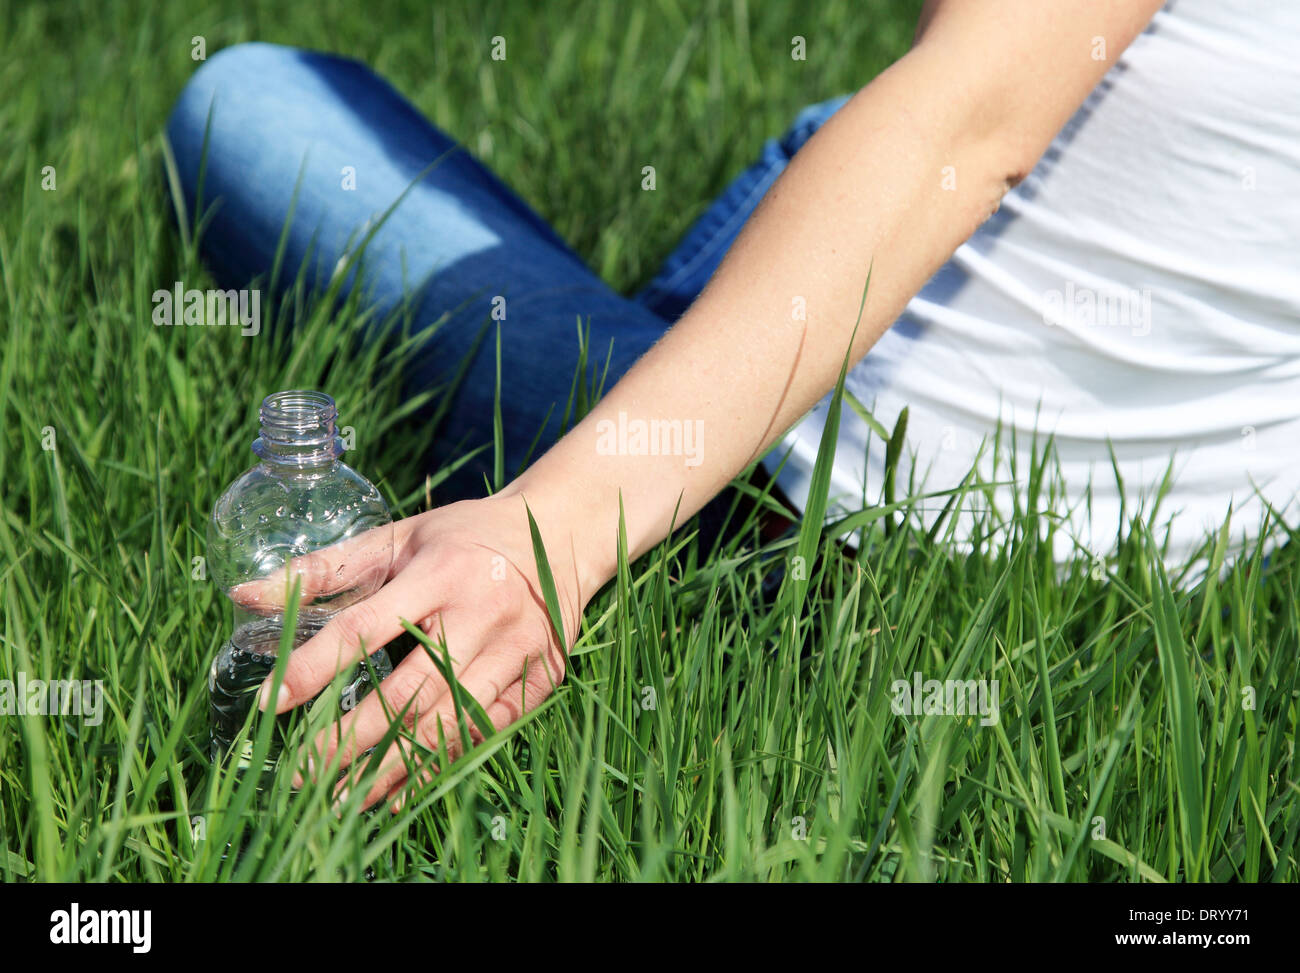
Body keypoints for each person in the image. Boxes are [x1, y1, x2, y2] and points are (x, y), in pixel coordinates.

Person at [167, 0, 1300, 810]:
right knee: (844, 119)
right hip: (1163, 511)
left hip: (784, 491)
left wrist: (548, 535)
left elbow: (958, 130)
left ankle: (665, 369)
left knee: (243, 101)